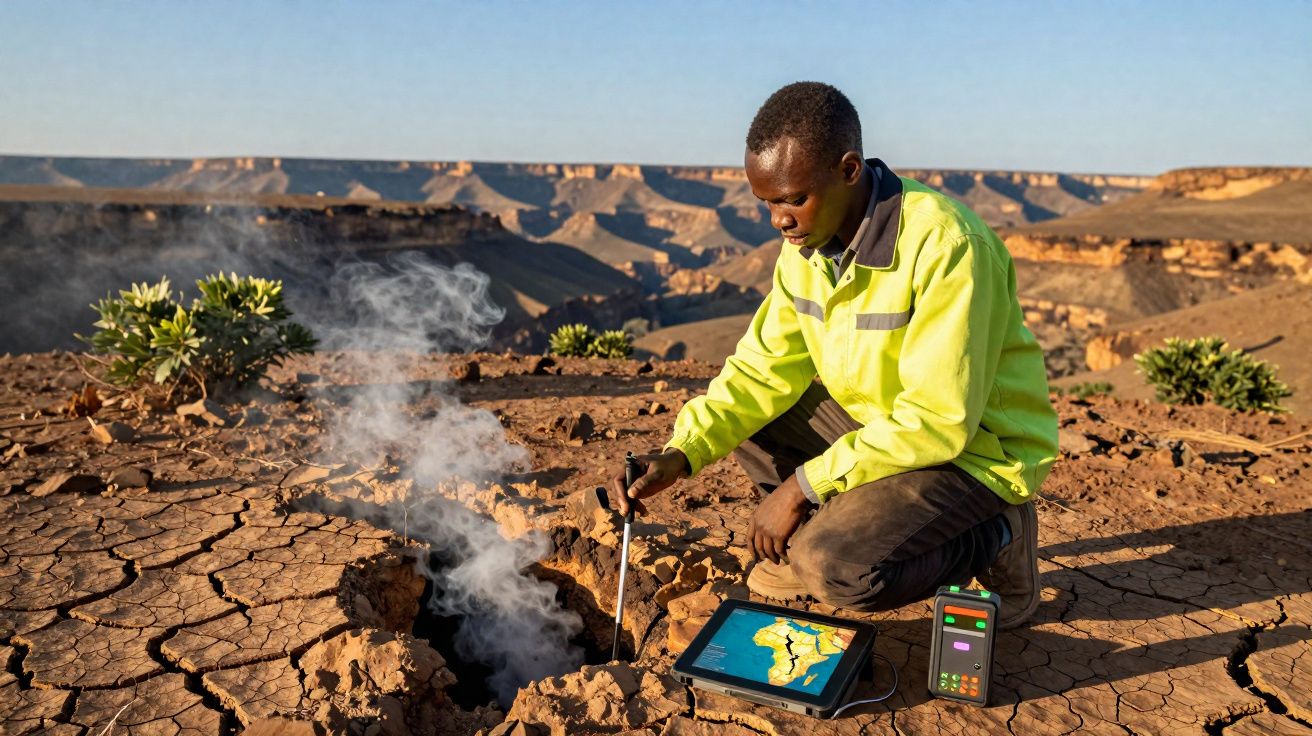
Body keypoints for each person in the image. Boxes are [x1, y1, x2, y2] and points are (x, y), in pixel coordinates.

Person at [609, 82, 1059, 629]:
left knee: (839, 571)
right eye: (768, 202)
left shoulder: (947, 247)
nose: (779, 219)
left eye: (793, 197)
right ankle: (821, 534)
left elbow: (938, 422)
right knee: (752, 414)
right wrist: (681, 453)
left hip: (971, 452)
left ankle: (997, 534)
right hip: (884, 431)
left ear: (849, 170)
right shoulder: (806, 249)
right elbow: (760, 370)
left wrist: (803, 487)